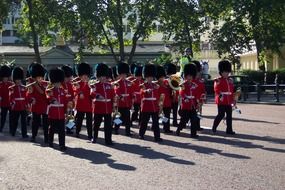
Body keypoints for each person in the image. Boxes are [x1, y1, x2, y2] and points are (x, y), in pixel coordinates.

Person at [90, 63, 115, 145]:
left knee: (108, 125)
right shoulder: (95, 85)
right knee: (96, 124)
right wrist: (97, 95)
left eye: (104, 76)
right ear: (98, 77)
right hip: (98, 107)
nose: (103, 78)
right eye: (101, 77)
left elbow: (112, 96)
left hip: (108, 107)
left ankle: (108, 140)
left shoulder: (109, 85)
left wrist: (114, 103)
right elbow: (92, 94)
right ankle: (94, 137)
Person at [139, 64, 162, 142]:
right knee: (144, 122)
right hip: (146, 106)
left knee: (155, 123)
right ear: (146, 77)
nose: (150, 78)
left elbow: (158, 96)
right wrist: (146, 91)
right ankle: (141, 134)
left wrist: (159, 105)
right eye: (148, 77)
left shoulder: (156, 85)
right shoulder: (143, 85)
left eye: (151, 77)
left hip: (154, 106)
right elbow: (141, 93)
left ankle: (157, 137)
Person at [26, 63, 49, 143]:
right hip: (36, 106)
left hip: (45, 106)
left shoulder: (46, 84)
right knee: (35, 122)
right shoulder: (32, 85)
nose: (39, 78)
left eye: (40, 77)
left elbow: (47, 93)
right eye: (37, 77)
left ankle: (47, 137)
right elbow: (29, 95)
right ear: (35, 77)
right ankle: (33, 136)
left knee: (46, 123)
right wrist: (32, 99)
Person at [212, 60, 236, 135]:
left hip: (229, 101)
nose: (227, 73)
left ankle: (229, 129)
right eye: (225, 72)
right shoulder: (218, 80)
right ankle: (214, 126)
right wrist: (220, 95)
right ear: (221, 72)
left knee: (229, 115)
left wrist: (234, 99)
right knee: (221, 115)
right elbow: (216, 90)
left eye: (228, 72)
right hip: (221, 100)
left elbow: (231, 91)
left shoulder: (230, 80)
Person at [46, 68, 67, 151]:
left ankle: (62, 145)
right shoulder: (49, 91)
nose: (57, 84)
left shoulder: (63, 91)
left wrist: (66, 110)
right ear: (53, 82)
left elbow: (65, 101)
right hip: (53, 113)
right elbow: (48, 97)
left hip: (61, 113)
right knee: (52, 129)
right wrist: (52, 99)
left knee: (62, 130)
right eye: (56, 82)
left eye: (58, 82)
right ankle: (50, 142)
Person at [176, 63, 199, 138]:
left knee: (194, 120)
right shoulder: (183, 85)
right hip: (185, 105)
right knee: (183, 121)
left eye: (191, 76)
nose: (189, 78)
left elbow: (195, 94)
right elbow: (181, 93)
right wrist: (185, 98)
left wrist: (197, 102)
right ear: (185, 76)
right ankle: (178, 129)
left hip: (192, 105)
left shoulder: (194, 85)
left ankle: (193, 134)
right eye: (188, 76)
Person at [73, 62, 93, 140]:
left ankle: (90, 134)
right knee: (79, 120)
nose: (84, 77)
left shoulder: (91, 83)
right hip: (80, 105)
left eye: (86, 75)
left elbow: (93, 92)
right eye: (83, 76)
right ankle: (77, 132)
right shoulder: (77, 83)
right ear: (80, 76)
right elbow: (75, 91)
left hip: (89, 105)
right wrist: (79, 91)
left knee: (89, 121)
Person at [113, 62, 134, 136]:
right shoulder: (117, 83)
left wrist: (132, 98)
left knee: (128, 119)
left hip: (127, 102)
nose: (123, 76)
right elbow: (116, 91)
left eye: (124, 74)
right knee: (119, 118)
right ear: (119, 74)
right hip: (120, 103)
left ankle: (127, 132)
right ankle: (116, 129)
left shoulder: (129, 82)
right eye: (122, 74)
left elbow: (131, 91)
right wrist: (121, 97)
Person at [9, 67, 28, 138]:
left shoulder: (24, 87)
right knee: (15, 121)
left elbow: (26, 97)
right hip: (16, 106)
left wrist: (27, 105)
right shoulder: (11, 88)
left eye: (19, 79)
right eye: (17, 79)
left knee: (24, 121)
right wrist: (12, 103)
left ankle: (24, 134)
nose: (18, 81)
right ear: (14, 79)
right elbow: (10, 97)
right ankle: (13, 131)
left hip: (23, 106)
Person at [156, 65, 172, 133]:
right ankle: (154, 126)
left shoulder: (167, 83)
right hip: (159, 103)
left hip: (167, 103)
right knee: (157, 116)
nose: (162, 78)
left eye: (163, 77)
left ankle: (166, 128)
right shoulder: (156, 85)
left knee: (166, 116)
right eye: (161, 77)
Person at [192, 60, 206, 131]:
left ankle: (197, 125)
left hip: (199, 98)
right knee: (193, 112)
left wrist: (203, 97)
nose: (198, 74)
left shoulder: (200, 81)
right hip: (192, 98)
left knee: (199, 112)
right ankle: (194, 126)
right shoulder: (191, 81)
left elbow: (202, 90)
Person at [61, 65, 75, 135]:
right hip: (63, 103)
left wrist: (72, 101)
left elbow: (72, 94)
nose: (68, 79)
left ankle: (69, 128)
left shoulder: (69, 84)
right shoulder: (60, 84)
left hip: (70, 103)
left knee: (71, 117)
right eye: (67, 77)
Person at [0, 65, 13, 133]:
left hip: (10, 103)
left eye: (6, 77)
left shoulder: (11, 84)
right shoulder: (0, 84)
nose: (5, 79)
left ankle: (11, 129)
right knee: (3, 117)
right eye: (4, 77)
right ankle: (1, 128)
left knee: (11, 118)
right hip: (3, 103)